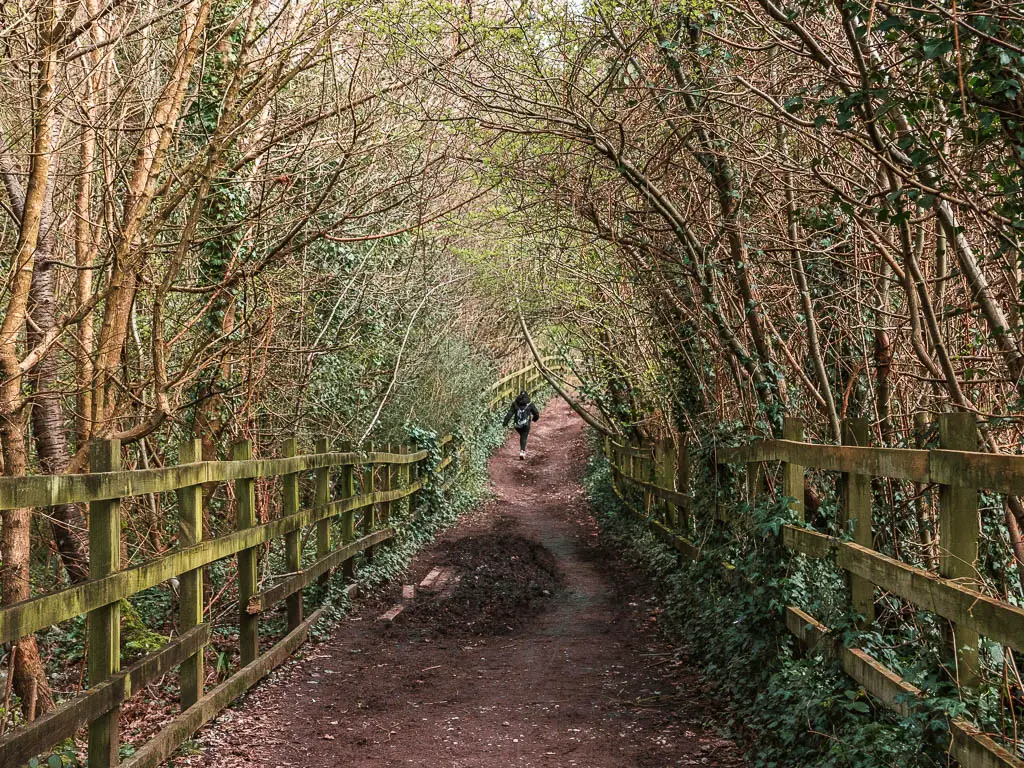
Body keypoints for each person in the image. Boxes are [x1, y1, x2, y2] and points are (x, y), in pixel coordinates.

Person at [503, 390, 540, 459]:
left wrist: (505, 423)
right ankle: (522, 451)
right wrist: (534, 419)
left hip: (517, 424)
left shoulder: (515, 404)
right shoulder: (530, 404)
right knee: (524, 436)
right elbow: (536, 413)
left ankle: (522, 450)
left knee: (522, 435)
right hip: (526, 424)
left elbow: (510, 413)